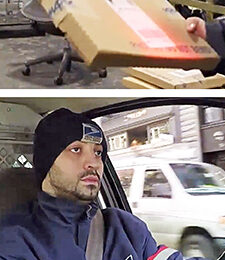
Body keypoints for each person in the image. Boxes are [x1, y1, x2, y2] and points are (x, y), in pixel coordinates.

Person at [0, 108, 205, 260]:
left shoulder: (126, 227)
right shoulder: (14, 238)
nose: (93, 164)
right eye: (76, 150)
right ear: (48, 161)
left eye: (98, 153)